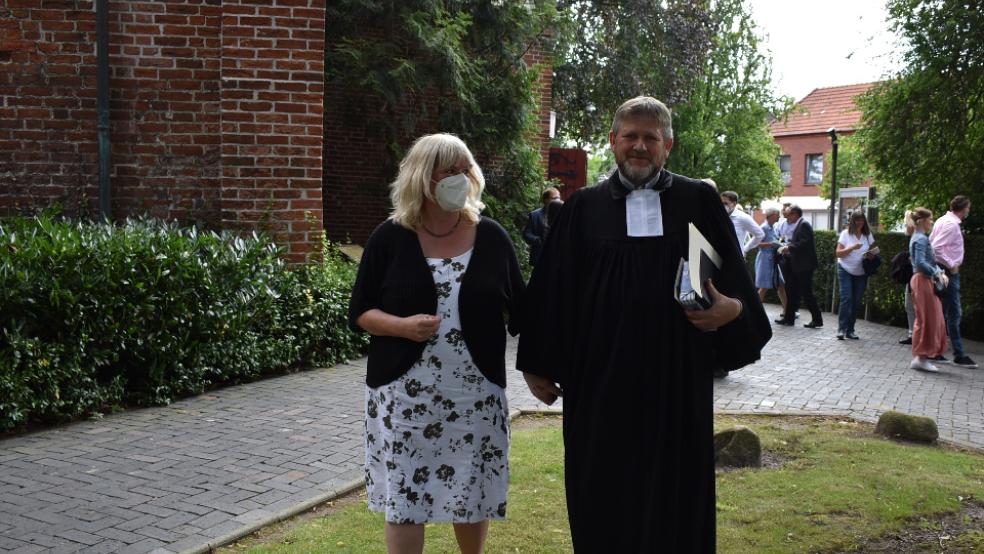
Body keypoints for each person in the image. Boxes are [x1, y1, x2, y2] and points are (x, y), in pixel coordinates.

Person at [517, 96, 771, 552]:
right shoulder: (583, 208)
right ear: (613, 141)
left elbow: (734, 282)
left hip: (676, 380)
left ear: (667, 145)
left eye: (650, 138)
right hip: (598, 380)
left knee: (676, 491)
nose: (639, 146)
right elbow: (552, 290)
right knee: (601, 490)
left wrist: (733, 311)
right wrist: (537, 363)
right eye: (630, 136)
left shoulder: (698, 200)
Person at [348, 133, 525, 554]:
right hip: (405, 398)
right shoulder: (389, 237)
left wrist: (544, 365)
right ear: (423, 178)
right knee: (407, 498)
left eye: (465, 169)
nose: (460, 178)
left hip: (475, 396)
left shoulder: (492, 237)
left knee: (471, 492)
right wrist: (401, 326)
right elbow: (360, 311)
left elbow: (524, 309)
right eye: (449, 171)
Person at [930, 195, 977, 368]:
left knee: (941, 312)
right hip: (949, 273)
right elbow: (935, 248)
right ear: (963, 208)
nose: (969, 211)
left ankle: (937, 350)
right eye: (968, 208)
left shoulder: (943, 220)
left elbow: (931, 243)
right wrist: (951, 266)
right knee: (954, 313)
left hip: (943, 272)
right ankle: (958, 354)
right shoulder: (951, 224)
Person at [907, 207, 948, 372]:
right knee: (928, 320)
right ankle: (921, 358)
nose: (931, 222)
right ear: (922, 221)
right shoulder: (921, 239)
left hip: (922, 280)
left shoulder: (918, 237)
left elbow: (924, 262)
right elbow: (921, 263)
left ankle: (921, 357)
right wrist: (938, 273)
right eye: (930, 219)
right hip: (922, 281)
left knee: (927, 319)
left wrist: (939, 272)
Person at [776, 205, 822, 328]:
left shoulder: (804, 225)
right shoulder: (800, 225)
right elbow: (800, 242)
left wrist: (789, 247)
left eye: (789, 214)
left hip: (804, 266)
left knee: (807, 293)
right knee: (791, 291)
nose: (787, 216)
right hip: (797, 265)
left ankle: (817, 319)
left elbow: (805, 242)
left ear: (795, 214)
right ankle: (789, 318)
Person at [835, 211, 877, 340]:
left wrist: (871, 255)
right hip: (845, 269)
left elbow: (873, 250)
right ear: (852, 221)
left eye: (862, 220)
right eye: (857, 220)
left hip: (861, 272)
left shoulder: (867, 235)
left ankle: (850, 330)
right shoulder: (845, 234)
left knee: (856, 301)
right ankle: (841, 329)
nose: (860, 223)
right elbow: (838, 253)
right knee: (846, 298)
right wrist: (852, 248)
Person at [754, 207, 786, 304]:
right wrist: (772, 244)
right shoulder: (763, 227)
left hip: (773, 259)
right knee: (764, 287)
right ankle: (755, 311)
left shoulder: (774, 227)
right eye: (777, 214)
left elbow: (775, 241)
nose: (779, 216)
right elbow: (755, 244)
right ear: (771, 215)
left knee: (780, 285)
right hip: (765, 260)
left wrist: (780, 243)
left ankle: (787, 312)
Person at [522, 187, 561, 266]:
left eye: (559, 198)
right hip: (539, 257)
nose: (558, 200)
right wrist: (537, 240)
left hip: (557, 257)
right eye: (554, 198)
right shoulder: (534, 215)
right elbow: (527, 234)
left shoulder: (562, 214)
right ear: (546, 200)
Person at [720, 190, 764, 256]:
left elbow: (760, 234)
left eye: (726, 203)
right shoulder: (719, 216)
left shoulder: (743, 217)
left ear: (734, 204)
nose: (722, 206)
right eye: (721, 203)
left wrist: (745, 249)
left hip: (735, 257)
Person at [900, 219, 916, 345]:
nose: (905, 227)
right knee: (909, 306)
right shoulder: (914, 238)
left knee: (911, 306)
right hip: (912, 277)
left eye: (906, 224)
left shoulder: (917, 239)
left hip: (915, 278)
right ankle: (912, 334)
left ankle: (914, 334)